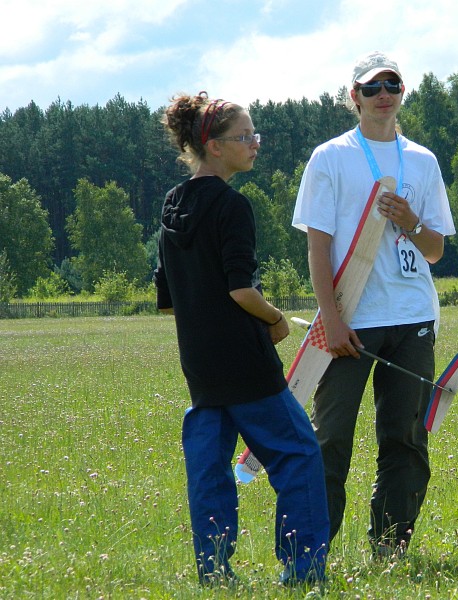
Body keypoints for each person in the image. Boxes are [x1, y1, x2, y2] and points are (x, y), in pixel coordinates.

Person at [154, 92, 329, 586]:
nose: (255, 144)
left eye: (255, 135)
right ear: (213, 146)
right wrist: (276, 319)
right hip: (246, 366)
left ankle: (213, 572)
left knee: (209, 471)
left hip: (200, 366)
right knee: (299, 455)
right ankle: (303, 570)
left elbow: (167, 300)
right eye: (244, 137)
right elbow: (240, 290)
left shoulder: (172, 205)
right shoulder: (232, 205)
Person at [292, 51, 455, 558]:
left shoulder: (423, 161)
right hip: (350, 321)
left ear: (403, 93)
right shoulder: (330, 157)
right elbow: (318, 247)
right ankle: (310, 554)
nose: (383, 95)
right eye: (371, 88)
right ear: (354, 97)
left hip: (413, 319)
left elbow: (435, 250)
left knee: (406, 439)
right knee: (329, 439)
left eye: (392, 85)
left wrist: (409, 219)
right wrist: (332, 320)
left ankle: (390, 548)